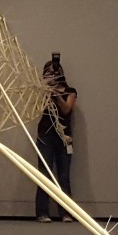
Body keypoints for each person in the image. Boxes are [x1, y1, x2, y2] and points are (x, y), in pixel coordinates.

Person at [33, 54, 76, 222]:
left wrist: (56, 95)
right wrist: (46, 90)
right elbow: (37, 108)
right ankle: (42, 212)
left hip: (64, 137)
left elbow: (66, 110)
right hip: (45, 135)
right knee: (44, 174)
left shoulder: (70, 91)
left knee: (63, 175)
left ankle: (66, 212)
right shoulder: (42, 91)